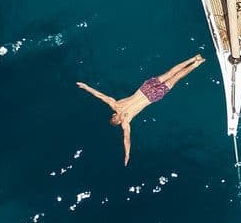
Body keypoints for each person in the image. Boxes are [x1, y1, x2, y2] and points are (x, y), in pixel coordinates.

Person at [76, 54, 205, 165]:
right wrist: (127, 154)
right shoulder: (126, 122)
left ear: (114, 115)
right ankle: (196, 64)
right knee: (175, 78)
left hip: (145, 89)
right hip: (152, 96)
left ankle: (193, 58)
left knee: (170, 73)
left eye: (115, 118)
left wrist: (85, 86)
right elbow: (126, 138)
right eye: (117, 121)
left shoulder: (115, 104)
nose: (118, 119)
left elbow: (99, 95)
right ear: (120, 123)